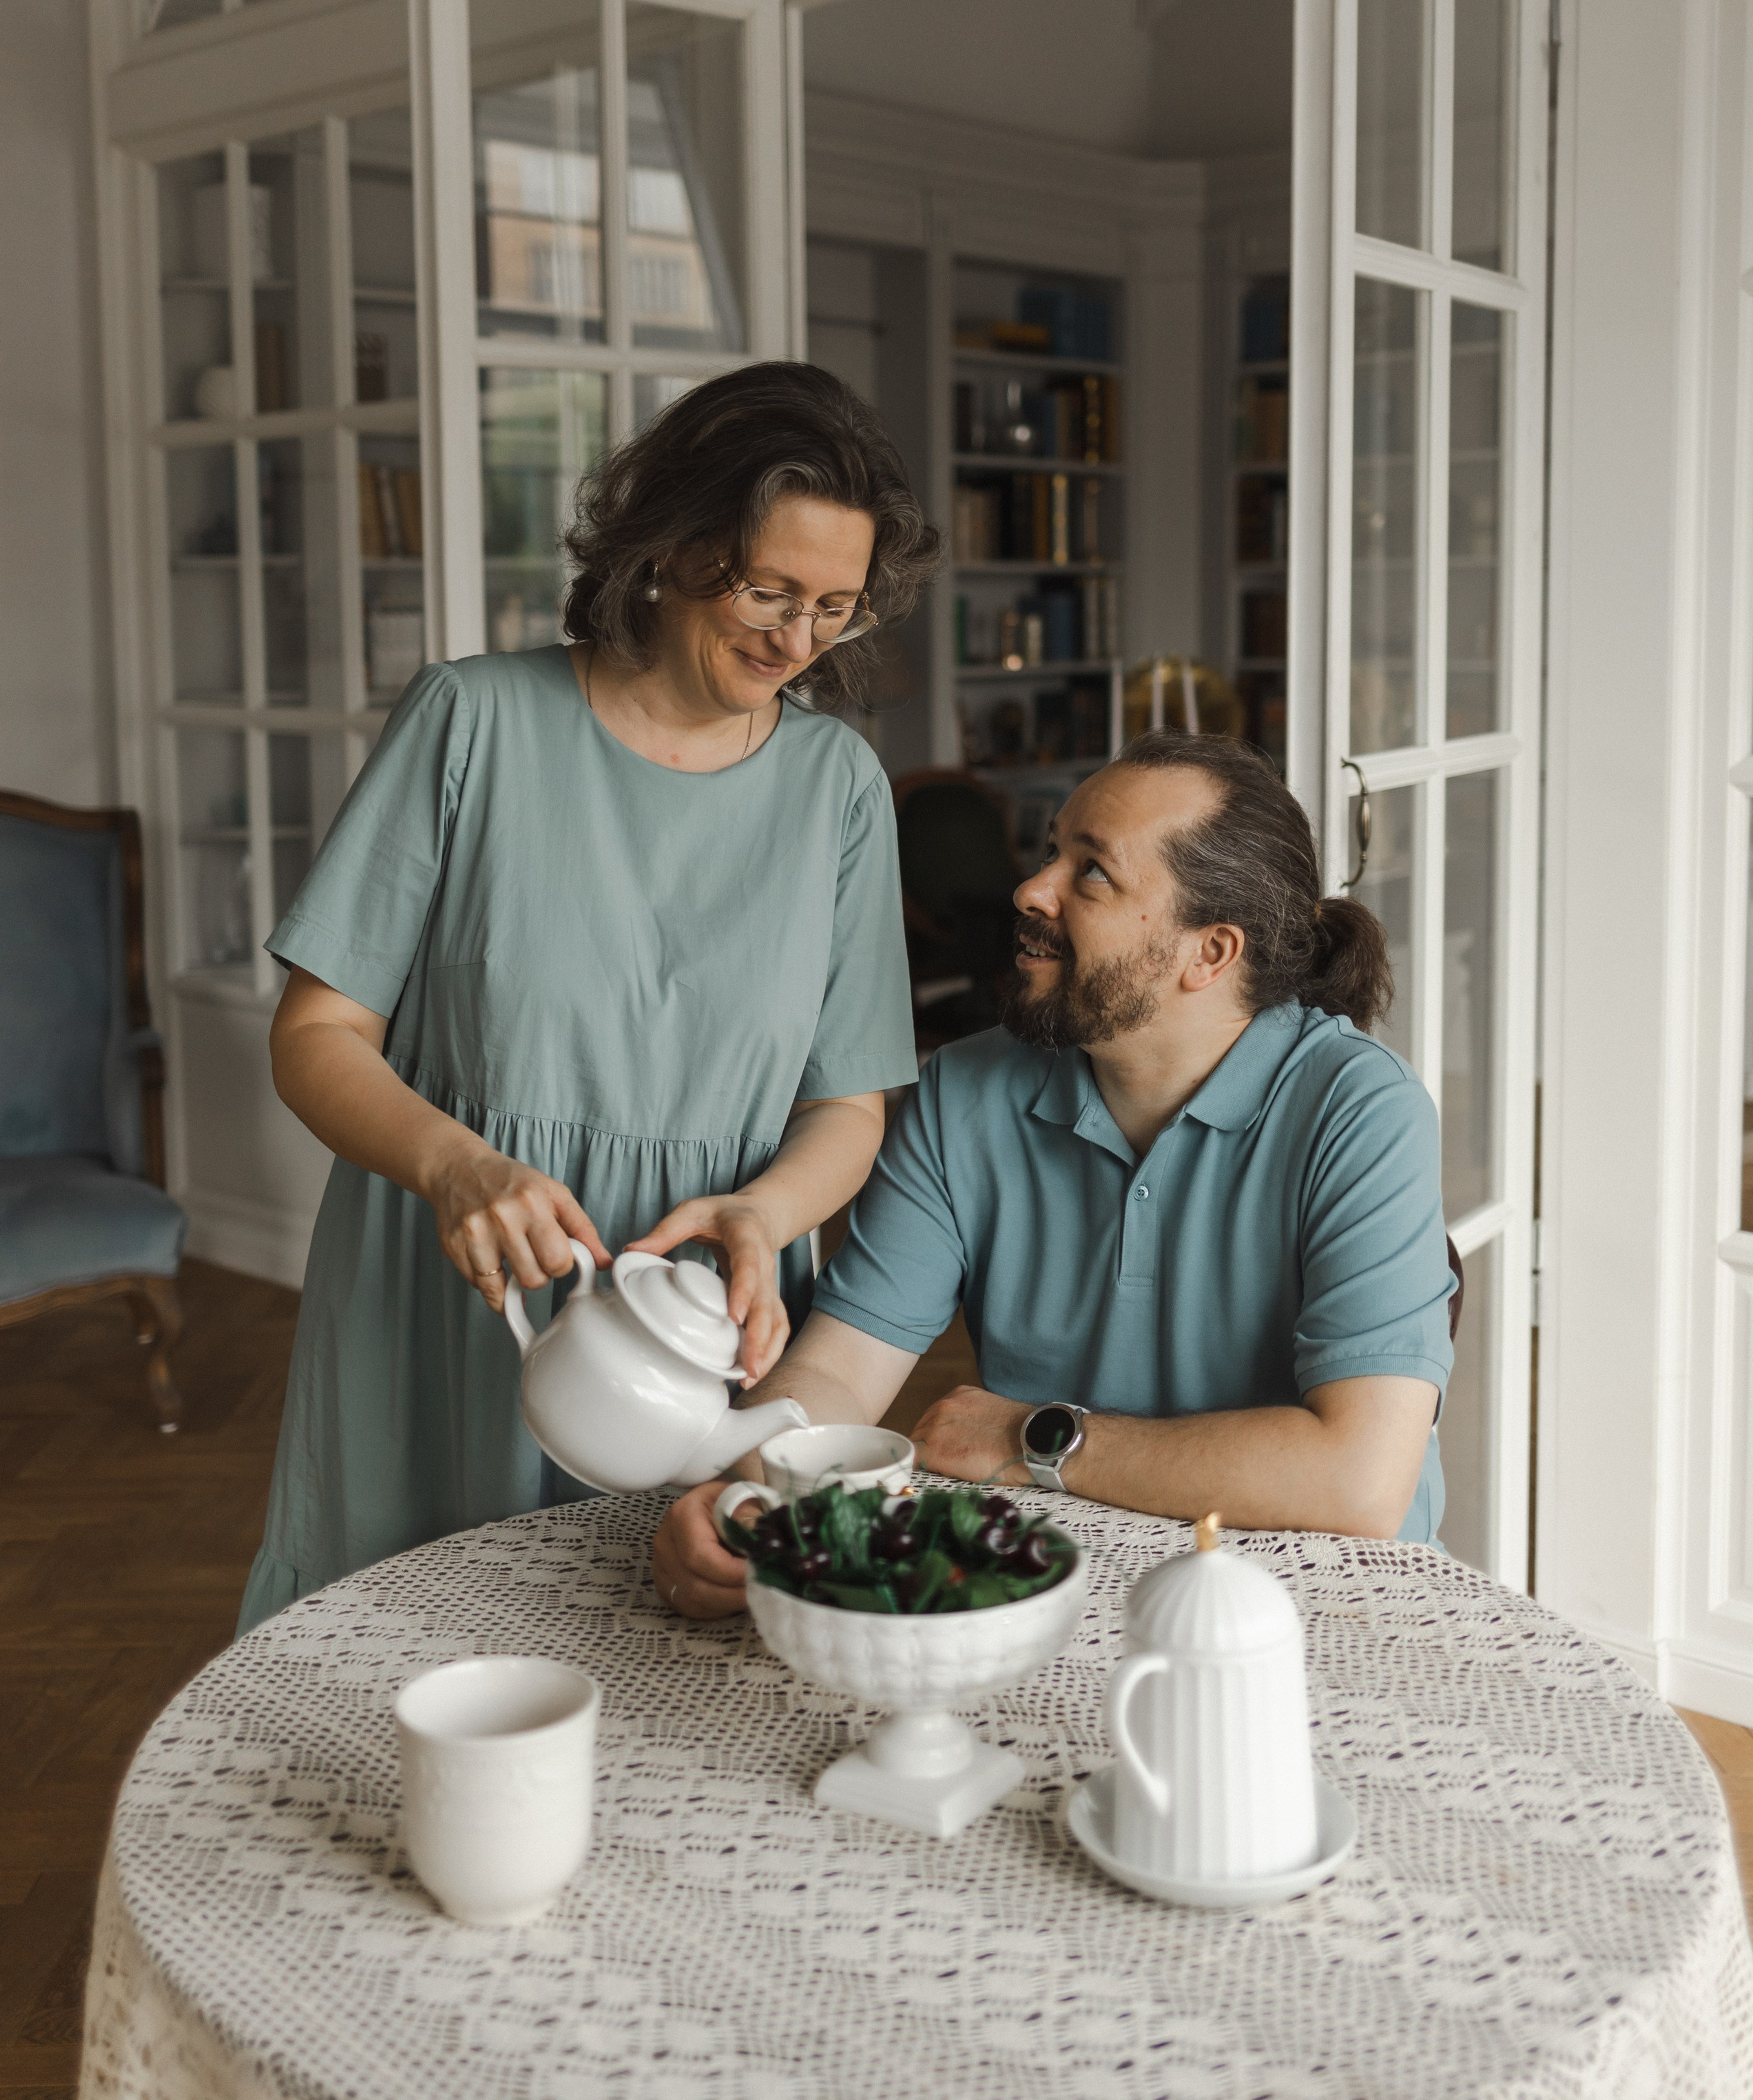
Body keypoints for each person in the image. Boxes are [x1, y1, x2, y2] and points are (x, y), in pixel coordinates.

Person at [238, 364, 940, 1632]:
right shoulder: (472, 722)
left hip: (689, 1335)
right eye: (770, 589)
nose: (798, 640)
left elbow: (851, 1105)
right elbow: (316, 1036)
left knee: (663, 1672)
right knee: (392, 1673)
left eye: (834, 608)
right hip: (452, 1290)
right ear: (670, 547)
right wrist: (455, 1166)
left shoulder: (838, 788)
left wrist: (762, 1212)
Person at [652, 730, 1456, 1619]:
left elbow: (1359, 1481)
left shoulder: (1360, 1110)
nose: (1030, 891)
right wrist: (755, 1489)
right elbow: (841, 1371)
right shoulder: (963, 1091)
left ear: (1210, 954)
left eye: (1093, 874)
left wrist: (1033, 1435)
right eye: (1049, 853)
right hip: (1055, 1593)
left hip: (1318, 1610)